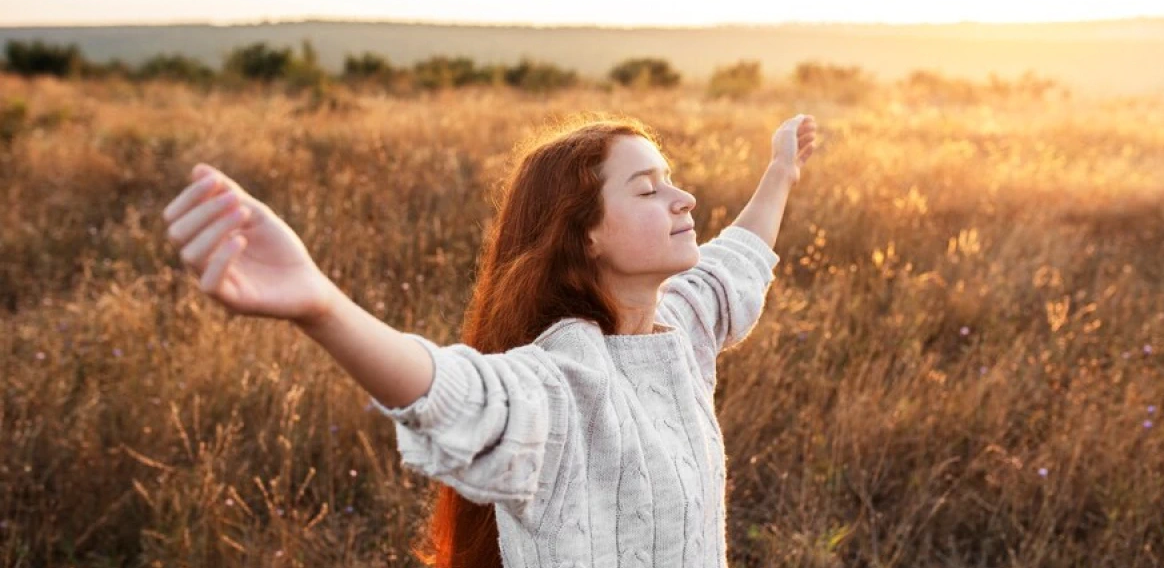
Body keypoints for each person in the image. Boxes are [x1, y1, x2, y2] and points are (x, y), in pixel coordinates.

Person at [161, 111, 818, 568]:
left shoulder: (681, 322)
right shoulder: (563, 378)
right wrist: (322, 307)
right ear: (583, 234)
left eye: (670, 179)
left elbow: (739, 261)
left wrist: (781, 171)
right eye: (648, 188)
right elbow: (455, 392)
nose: (685, 198)